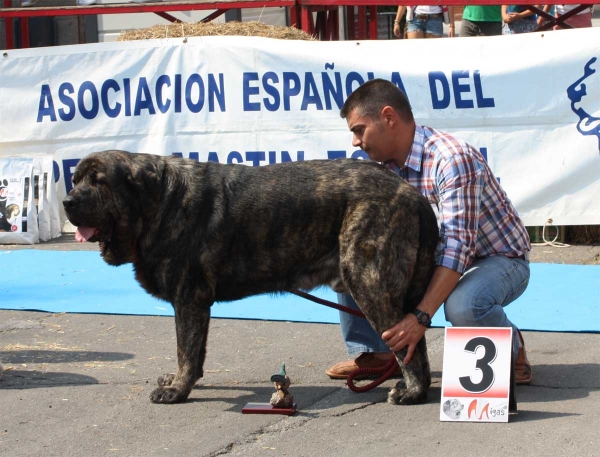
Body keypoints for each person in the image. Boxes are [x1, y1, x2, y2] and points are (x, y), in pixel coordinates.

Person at [326, 79, 533, 385]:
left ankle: (511, 347)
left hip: (500, 259)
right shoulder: (381, 169)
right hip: (440, 258)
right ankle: (382, 353)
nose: (355, 141)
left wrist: (420, 318)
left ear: (388, 117)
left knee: (464, 306)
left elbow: (458, 248)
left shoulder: (452, 159)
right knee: (353, 260)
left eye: (359, 129)